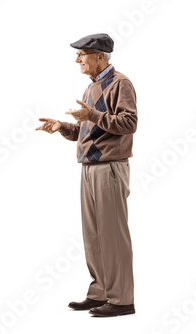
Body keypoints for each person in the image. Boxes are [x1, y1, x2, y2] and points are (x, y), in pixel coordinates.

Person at [36, 33, 137, 317]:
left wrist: (91, 116)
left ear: (101, 56)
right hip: (89, 168)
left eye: (83, 54)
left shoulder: (121, 84)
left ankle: (121, 300)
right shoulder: (90, 88)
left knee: (113, 235)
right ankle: (100, 293)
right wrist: (63, 127)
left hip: (110, 168)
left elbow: (129, 122)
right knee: (93, 235)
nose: (77, 59)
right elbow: (89, 129)